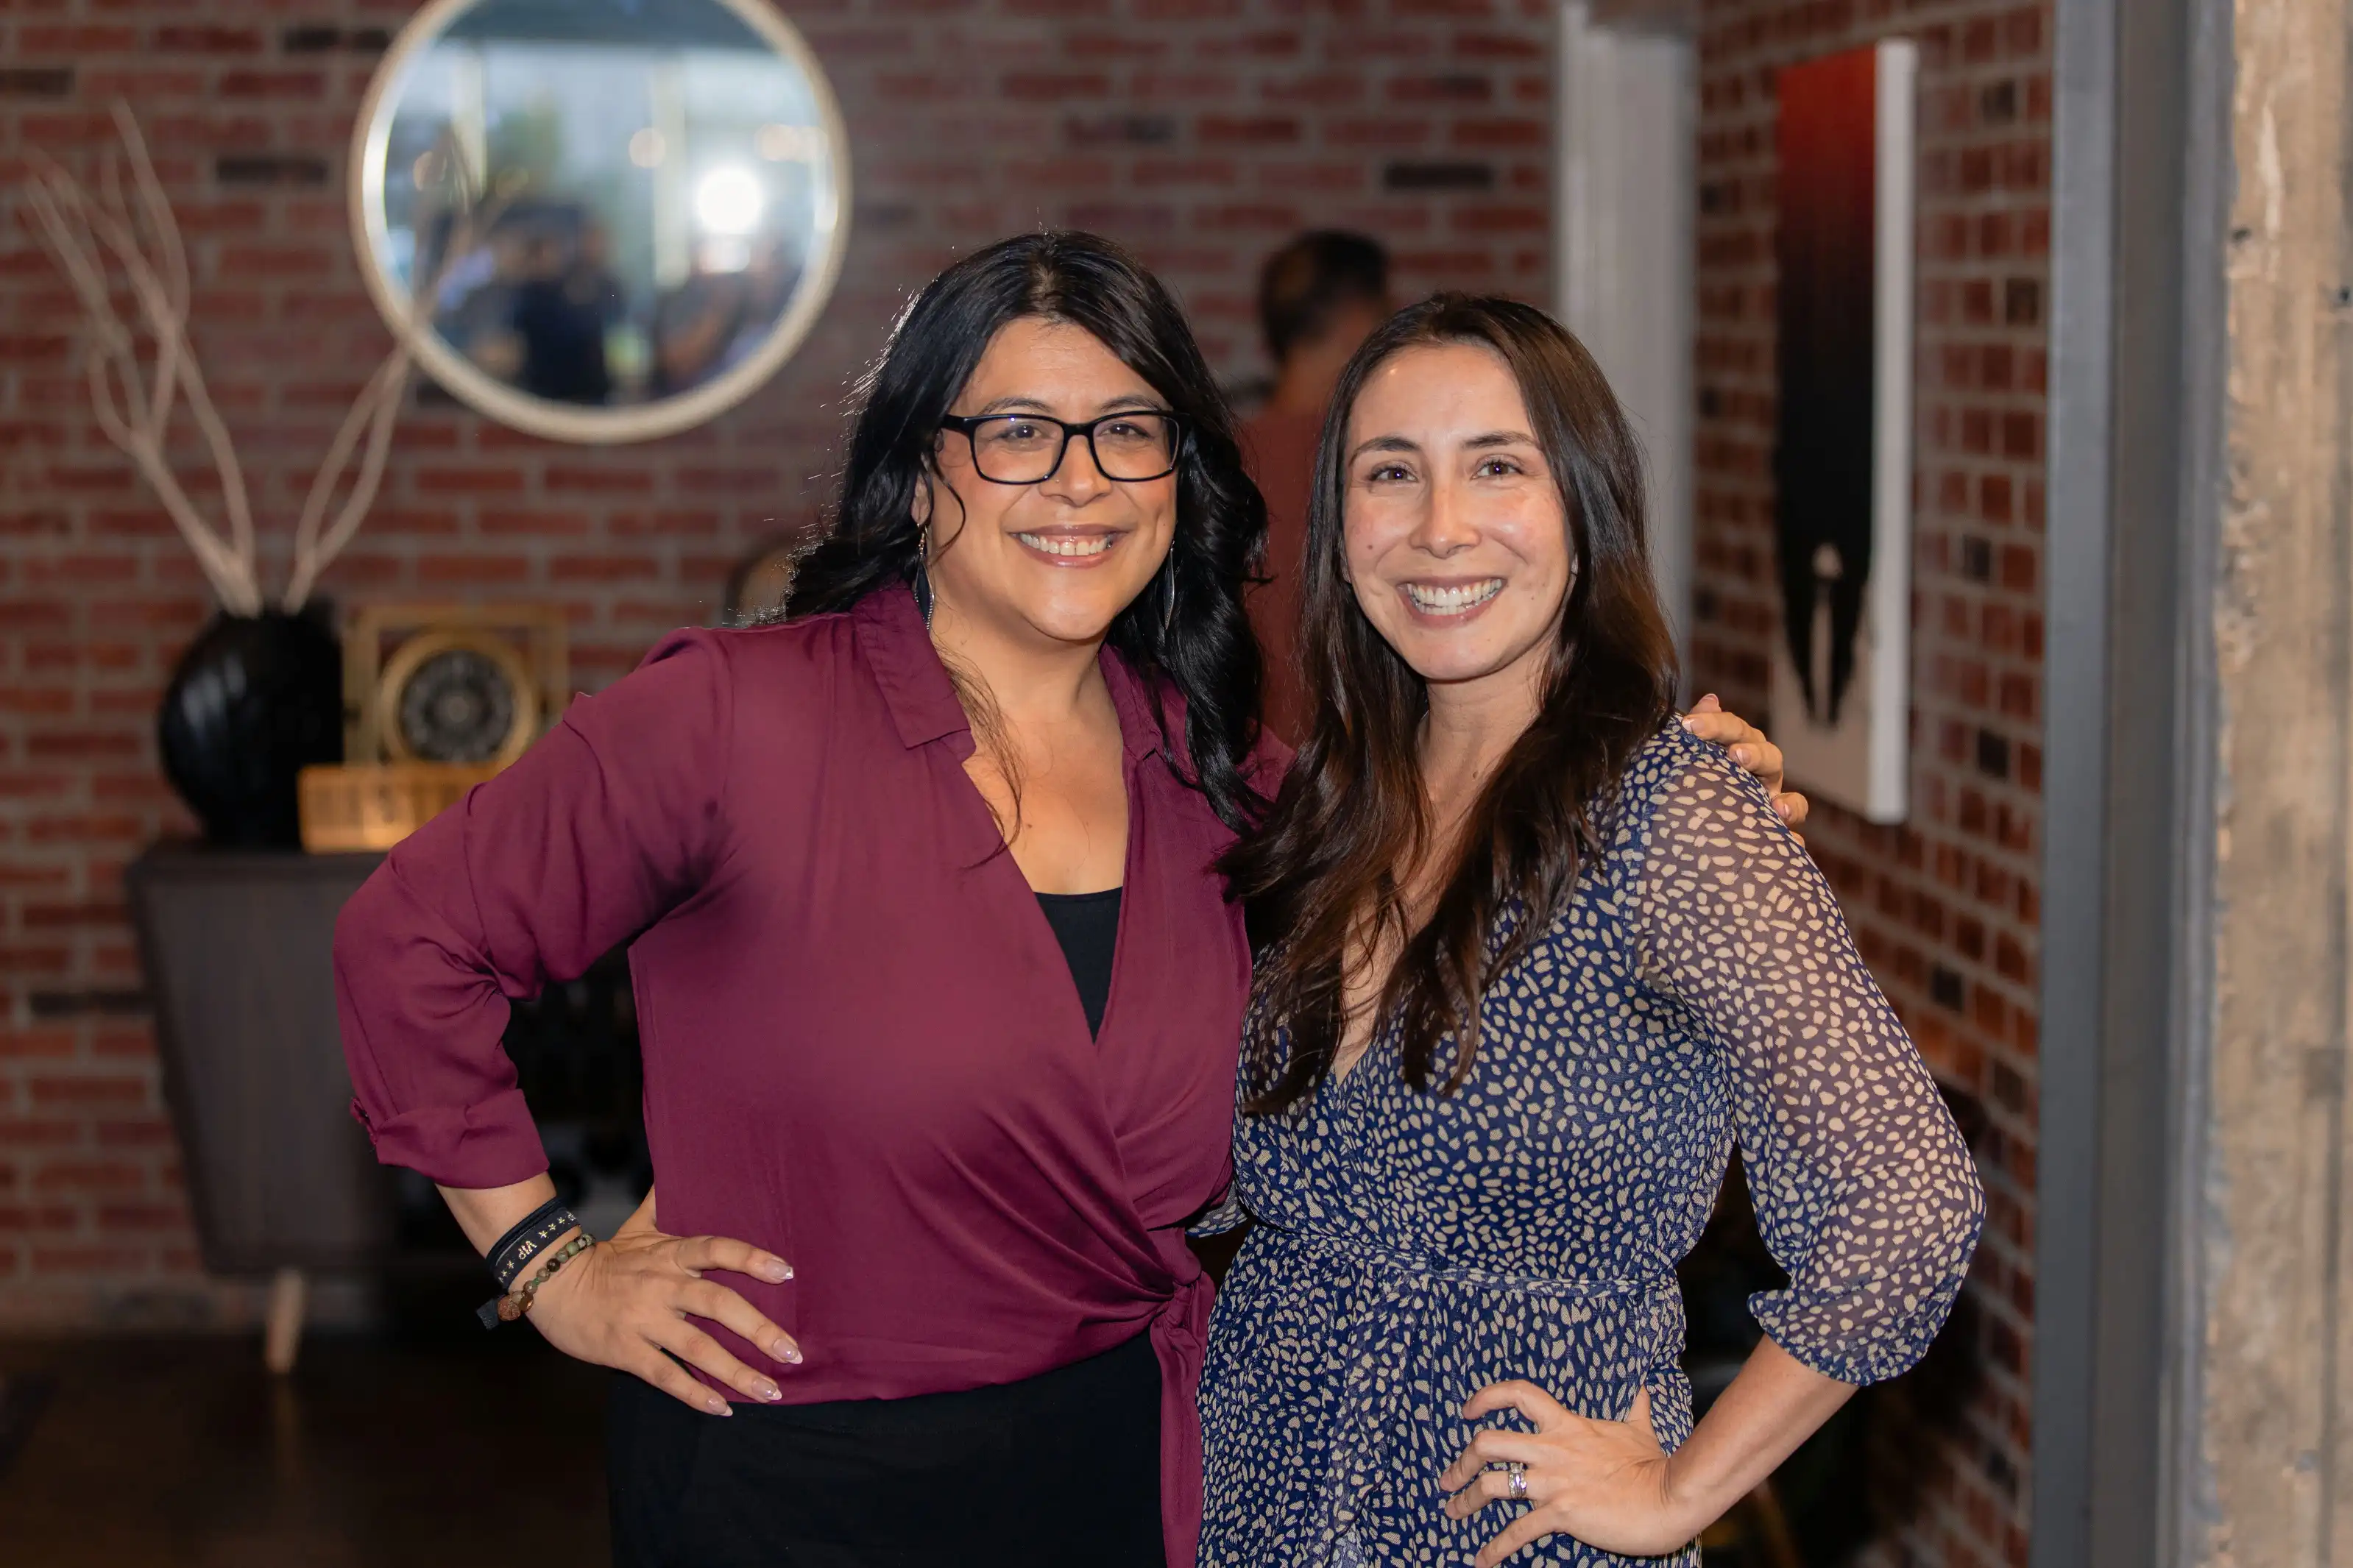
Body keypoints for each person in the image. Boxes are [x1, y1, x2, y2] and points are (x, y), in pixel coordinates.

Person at [334, 233, 1803, 1568]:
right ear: (922, 472)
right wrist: (545, 1263)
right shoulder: (733, 722)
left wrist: (1642, 792)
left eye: (1126, 435)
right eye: (1018, 435)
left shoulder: (1235, 789)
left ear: (1181, 476)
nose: (1079, 484)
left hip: (1124, 1479)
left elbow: (1457, 852)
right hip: (791, 1490)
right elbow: (408, 943)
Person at [1196, 296, 1983, 1567]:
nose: (1440, 526)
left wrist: (1680, 1491)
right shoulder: (1324, 810)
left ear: (1583, 510)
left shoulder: (1668, 814)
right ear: (1343, 533)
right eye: (1390, 474)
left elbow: (1906, 1202)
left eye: (1496, 467)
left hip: (1515, 1522)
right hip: (1260, 1493)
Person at [1240, 231, 1393, 741]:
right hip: (1356, 768)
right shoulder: (1374, 462)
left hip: (1245, 771)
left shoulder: (1219, 462)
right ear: (1357, 320)